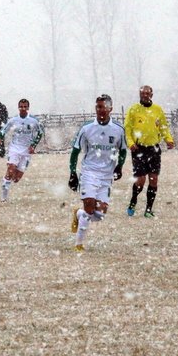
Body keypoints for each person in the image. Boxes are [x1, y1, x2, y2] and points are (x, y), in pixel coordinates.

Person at [69, 94, 127, 251]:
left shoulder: (118, 130)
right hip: (89, 172)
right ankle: (78, 244)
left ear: (111, 109)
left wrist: (119, 166)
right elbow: (75, 151)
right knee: (89, 206)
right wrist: (72, 173)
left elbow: (122, 151)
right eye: (98, 107)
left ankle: (79, 214)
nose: (100, 110)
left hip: (106, 176)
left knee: (100, 214)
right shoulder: (87, 129)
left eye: (103, 107)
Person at [124, 85, 175, 218]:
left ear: (151, 95)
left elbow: (163, 127)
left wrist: (168, 139)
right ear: (140, 94)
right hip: (138, 148)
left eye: (147, 93)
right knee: (140, 181)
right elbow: (127, 129)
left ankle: (148, 209)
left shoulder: (158, 110)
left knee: (153, 179)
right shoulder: (133, 109)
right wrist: (130, 143)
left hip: (154, 149)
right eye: (142, 93)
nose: (145, 95)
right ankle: (133, 200)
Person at [0, 98, 44, 202]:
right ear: (18, 107)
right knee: (10, 170)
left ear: (28, 108)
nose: (23, 108)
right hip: (14, 148)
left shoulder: (34, 120)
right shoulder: (13, 120)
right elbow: (4, 130)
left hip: (26, 151)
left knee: (16, 179)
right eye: (21, 106)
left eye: (25, 106)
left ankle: (7, 181)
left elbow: (40, 133)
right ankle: (4, 196)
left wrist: (33, 145)